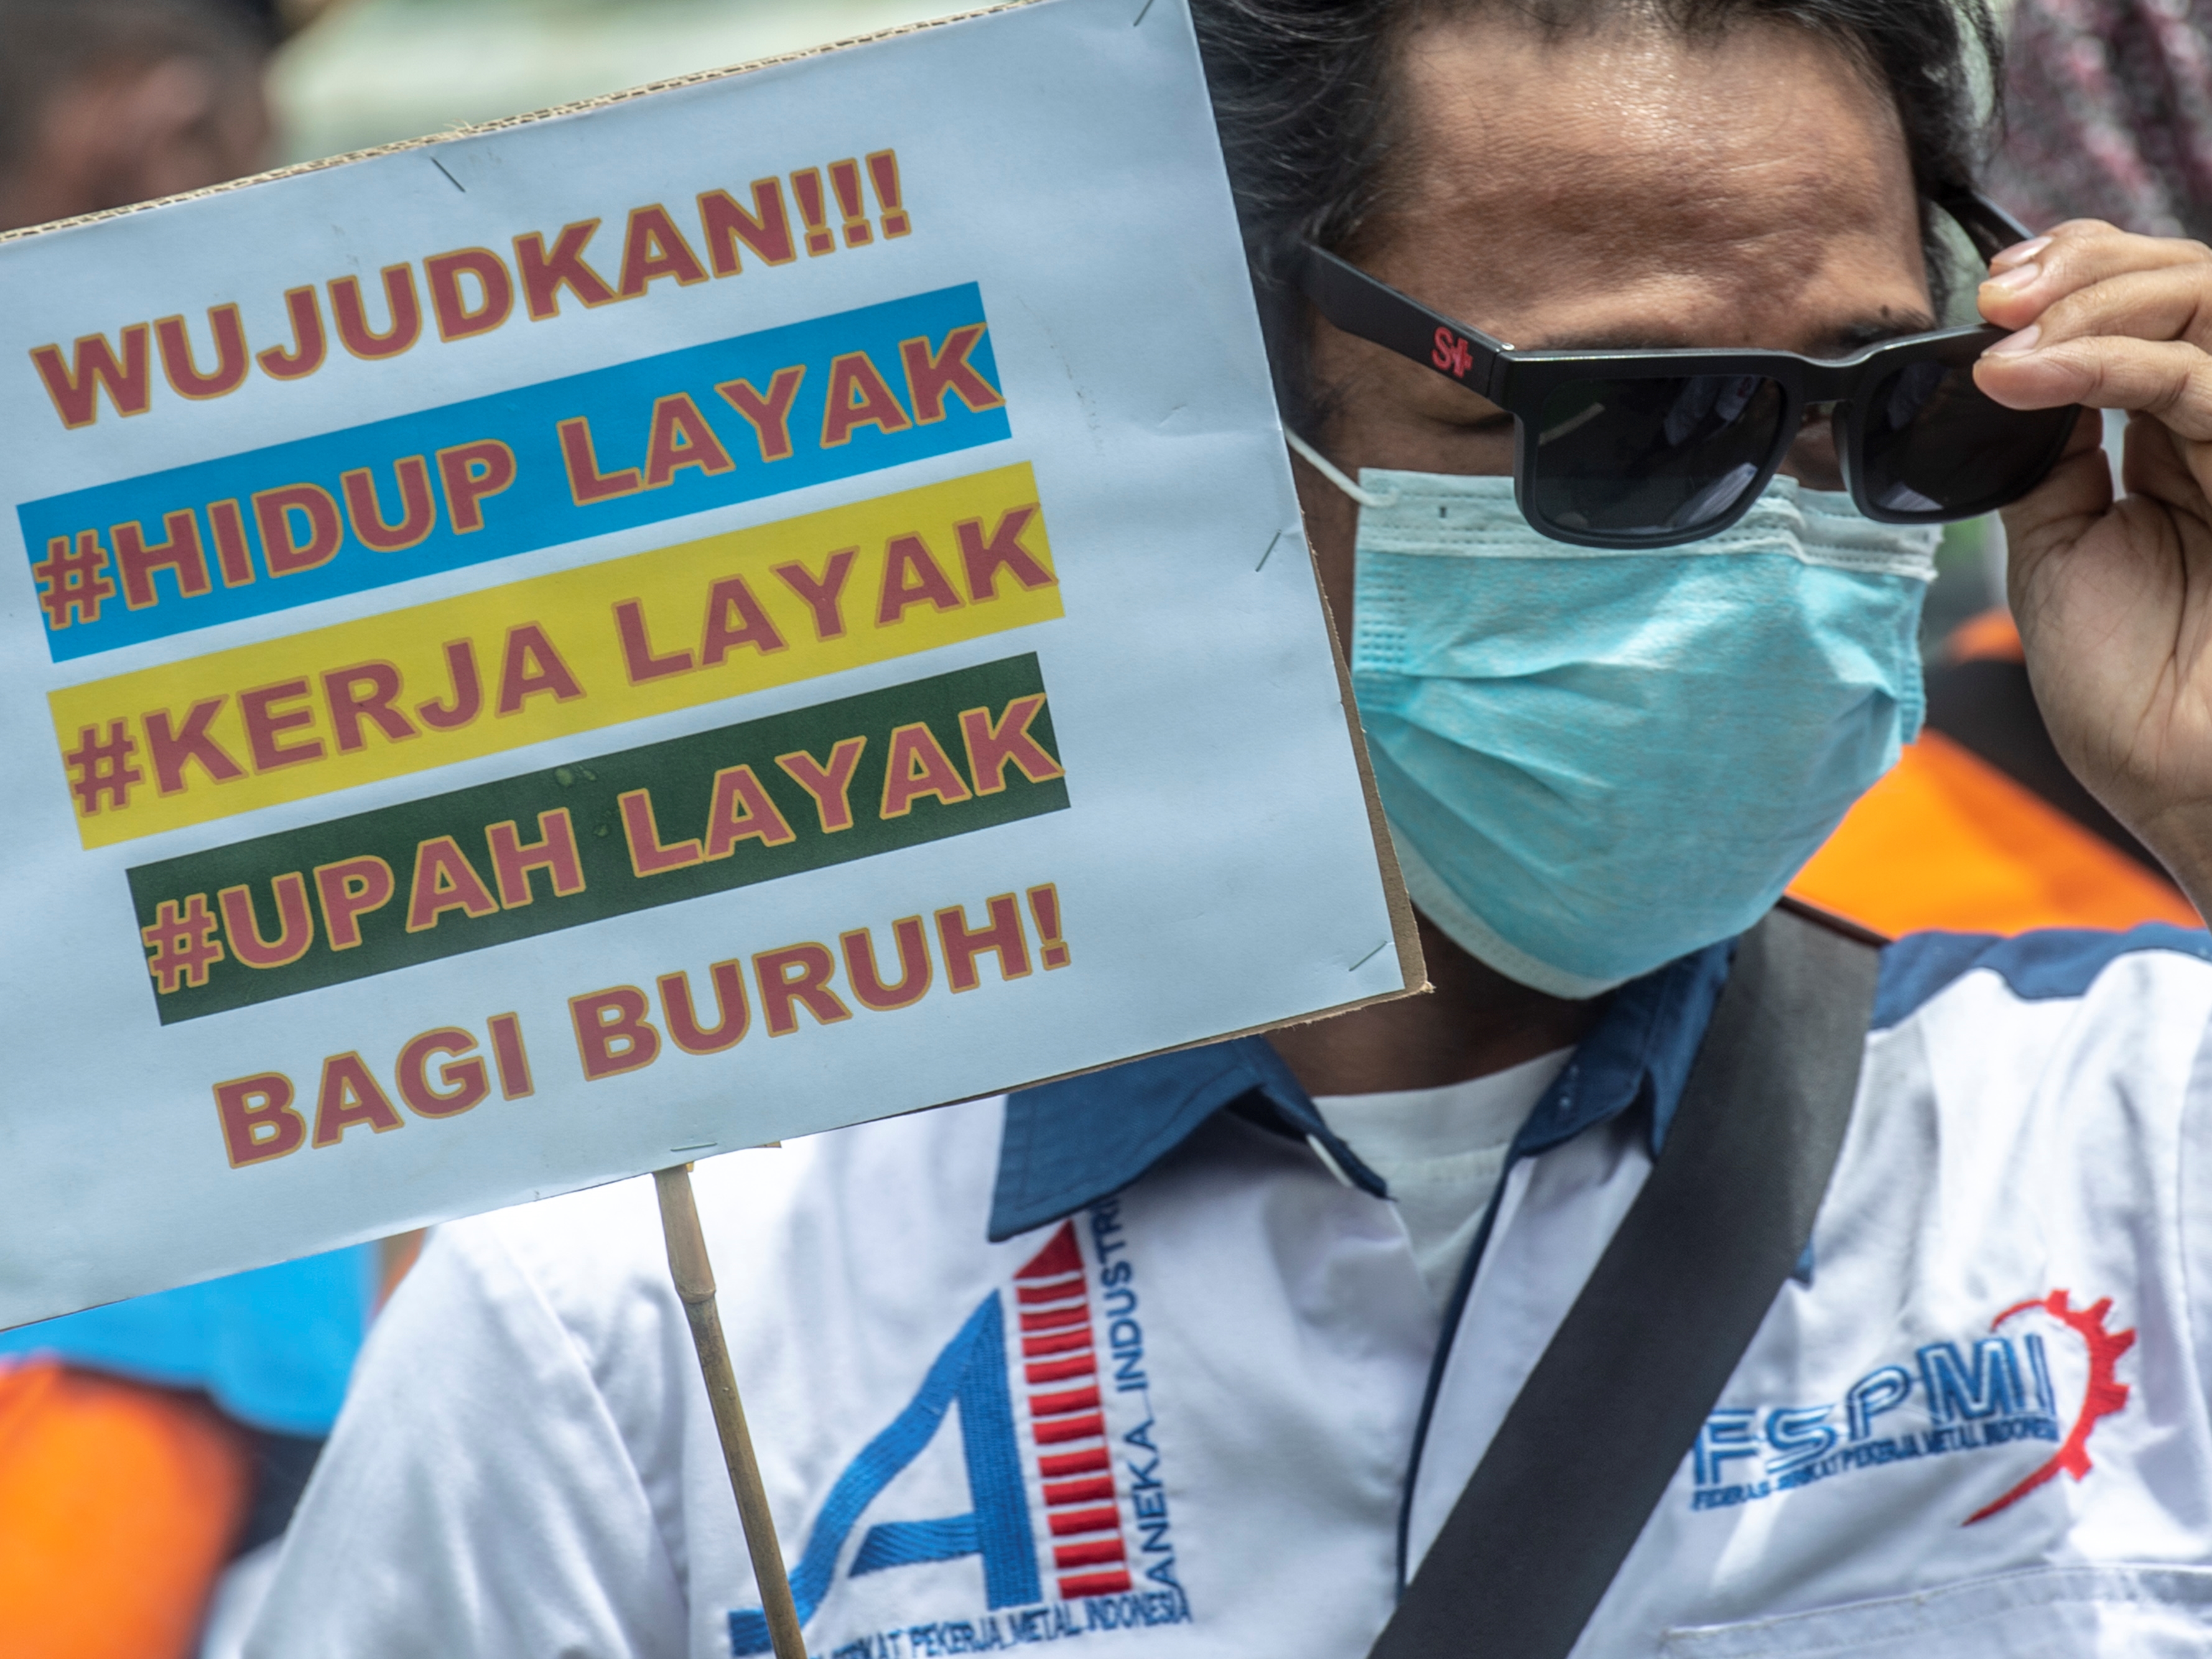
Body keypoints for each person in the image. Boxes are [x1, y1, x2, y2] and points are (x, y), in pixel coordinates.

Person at [243, 0, 2212, 1652]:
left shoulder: (2145, 1147)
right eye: (1635, 425)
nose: (1787, 538)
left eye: (1889, 414)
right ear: (1186, 410)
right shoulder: (656, 1332)